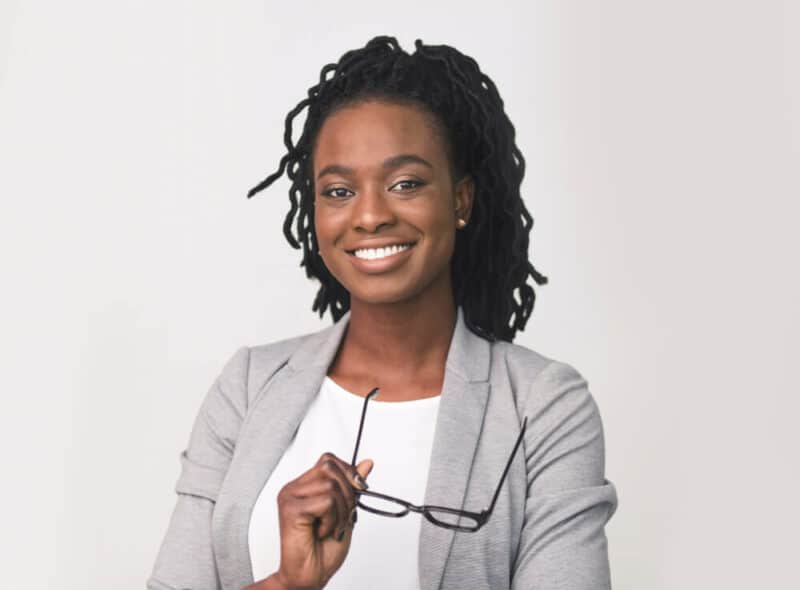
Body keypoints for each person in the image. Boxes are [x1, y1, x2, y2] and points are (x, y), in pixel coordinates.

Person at [147, 36, 618, 590]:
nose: (369, 215)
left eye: (405, 183)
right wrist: (288, 583)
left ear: (461, 200)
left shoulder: (543, 407)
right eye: (339, 190)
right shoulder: (250, 388)